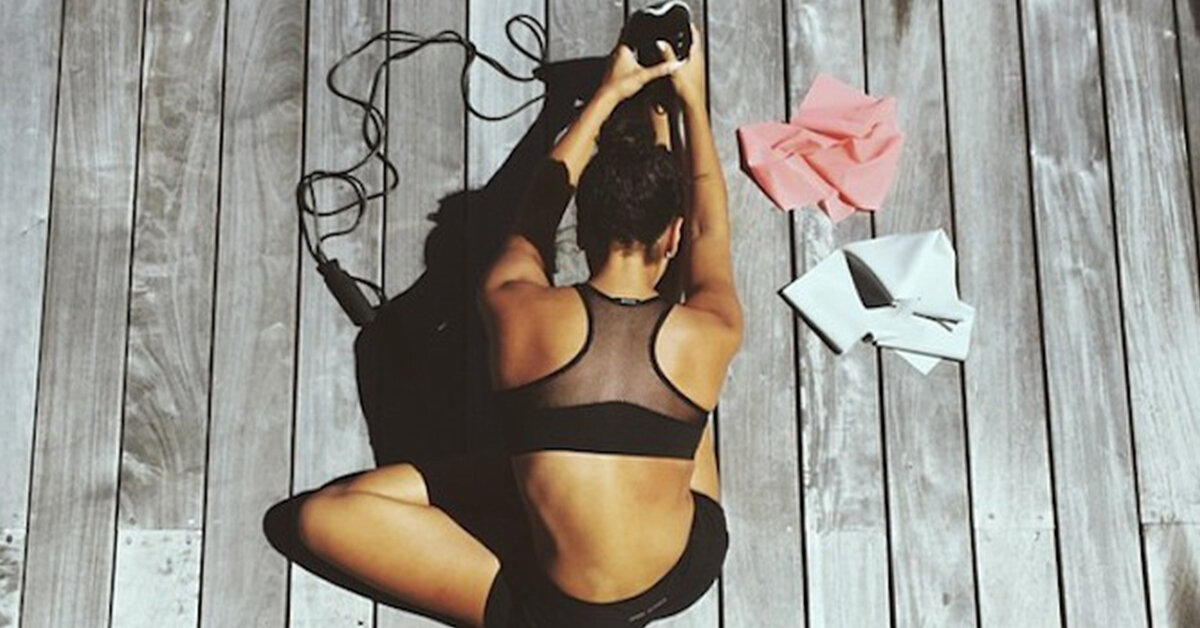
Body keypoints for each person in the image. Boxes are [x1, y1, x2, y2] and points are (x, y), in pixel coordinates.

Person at [296, 21, 741, 628]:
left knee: (319, 516)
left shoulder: (511, 301)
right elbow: (711, 230)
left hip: (556, 613)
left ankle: (536, 471)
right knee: (684, 377)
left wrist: (607, 93)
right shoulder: (713, 327)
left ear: (580, 234)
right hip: (680, 576)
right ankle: (659, 129)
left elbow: (535, 211)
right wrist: (690, 99)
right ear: (673, 236)